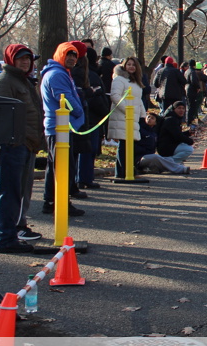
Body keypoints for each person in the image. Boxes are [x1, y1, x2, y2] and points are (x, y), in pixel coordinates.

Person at [0, 44, 45, 252]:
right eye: (21, 58)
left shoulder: (23, 81)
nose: (26, 62)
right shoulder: (5, 81)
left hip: (23, 144)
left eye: (28, 59)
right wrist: (12, 141)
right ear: (11, 60)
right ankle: (5, 239)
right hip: (10, 146)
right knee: (10, 194)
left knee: (10, 193)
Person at [40, 42, 86, 217]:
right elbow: (65, 99)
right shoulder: (57, 74)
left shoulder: (61, 72)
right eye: (68, 55)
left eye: (74, 56)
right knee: (63, 168)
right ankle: (59, 202)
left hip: (60, 127)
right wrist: (80, 111)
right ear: (60, 55)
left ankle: (52, 202)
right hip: (58, 128)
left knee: (56, 167)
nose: (72, 59)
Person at [72, 54, 108, 190]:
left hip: (86, 117)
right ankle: (84, 178)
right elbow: (95, 98)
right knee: (87, 149)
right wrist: (104, 110)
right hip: (90, 117)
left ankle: (81, 178)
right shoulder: (88, 75)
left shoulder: (80, 74)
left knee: (84, 149)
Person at [109, 57, 147, 179]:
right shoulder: (119, 79)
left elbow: (138, 100)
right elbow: (115, 96)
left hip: (133, 117)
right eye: (128, 64)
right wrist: (127, 110)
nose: (131, 67)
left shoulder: (136, 82)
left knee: (130, 145)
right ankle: (123, 172)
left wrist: (142, 115)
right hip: (123, 116)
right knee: (124, 144)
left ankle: (126, 171)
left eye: (133, 65)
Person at [157, 101, 194, 169]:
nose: (181, 110)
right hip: (165, 147)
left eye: (183, 108)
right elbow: (177, 136)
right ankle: (168, 163)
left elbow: (174, 134)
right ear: (174, 109)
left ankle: (174, 162)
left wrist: (187, 133)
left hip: (170, 144)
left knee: (185, 146)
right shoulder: (171, 120)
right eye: (179, 108)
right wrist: (190, 141)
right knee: (189, 149)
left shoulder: (175, 118)